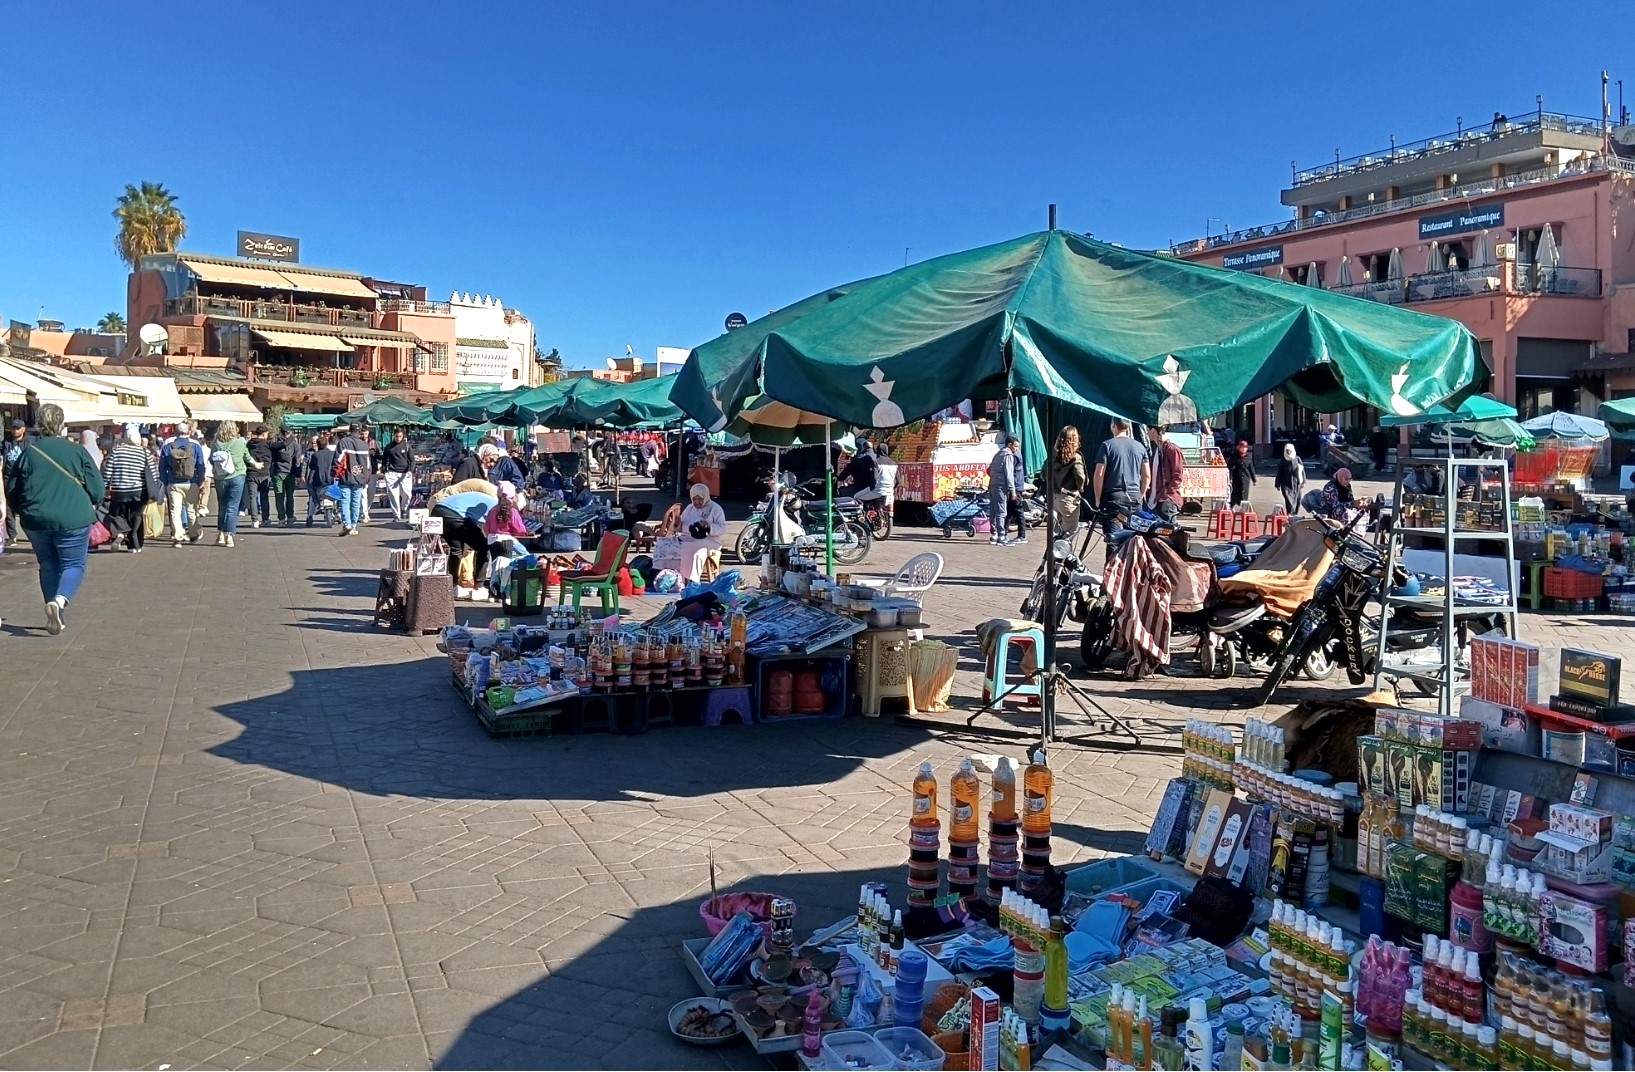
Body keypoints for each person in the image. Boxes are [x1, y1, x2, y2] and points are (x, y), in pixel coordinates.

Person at [4, 404, 105, 634]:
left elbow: (13, 487)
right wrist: (94, 501)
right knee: (73, 564)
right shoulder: (77, 451)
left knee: (48, 564)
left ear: (39, 424)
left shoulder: (30, 452)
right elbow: (97, 487)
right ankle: (59, 602)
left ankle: (55, 611)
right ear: (61, 424)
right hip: (73, 517)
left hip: (36, 520)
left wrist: (22, 511)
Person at [430, 481, 499, 599]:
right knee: (483, 548)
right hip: (455, 514)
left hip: (439, 509)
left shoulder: (489, 498)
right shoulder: (496, 506)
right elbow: (489, 529)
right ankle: (478, 588)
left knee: (456, 549)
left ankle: (452, 586)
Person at [101, 424, 158, 553]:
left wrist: (105, 486)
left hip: (119, 490)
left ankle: (121, 532)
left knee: (117, 513)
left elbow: (108, 471)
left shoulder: (116, 450)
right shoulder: (145, 452)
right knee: (136, 515)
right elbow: (152, 474)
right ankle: (135, 543)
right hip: (139, 489)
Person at [1092, 418, 1151, 521]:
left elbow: (1099, 474)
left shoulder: (1107, 445)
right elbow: (1147, 475)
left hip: (1113, 497)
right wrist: (1141, 495)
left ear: (1113, 425)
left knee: (1114, 534)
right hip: (1134, 496)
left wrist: (1097, 498)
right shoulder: (1140, 447)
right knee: (1134, 533)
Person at [160, 420, 207, 547]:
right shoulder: (195, 446)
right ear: (189, 432)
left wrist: (165, 482)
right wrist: (200, 480)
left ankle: (177, 538)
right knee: (191, 510)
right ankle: (192, 534)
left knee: (175, 511)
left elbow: (162, 467)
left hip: (173, 483)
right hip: (191, 482)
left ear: (175, 432)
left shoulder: (167, 447)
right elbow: (201, 466)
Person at [672, 483, 726, 582]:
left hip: (710, 541)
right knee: (668, 544)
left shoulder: (715, 509)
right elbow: (681, 527)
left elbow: (722, 528)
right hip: (691, 539)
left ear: (705, 497)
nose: (696, 502)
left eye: (700, 499)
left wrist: (709, 527)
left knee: (696, 550)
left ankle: (692, 580)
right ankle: (674, 578)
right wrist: (678, 524)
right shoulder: (690, 508)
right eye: (694, 499)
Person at [210, 421, 250, 547]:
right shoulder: (240, 442)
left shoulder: (215, 443)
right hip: (237, 475)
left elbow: (212, 459)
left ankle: (221, 534)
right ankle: (229, 536)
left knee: (222, 505)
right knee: (232, 506)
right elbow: (247, 457)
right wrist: (256, 464)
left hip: (220, 477)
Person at [1044, 426, 1087, 534]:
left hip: (1052, 497)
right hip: (1069, 498)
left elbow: (1043, 472)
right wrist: (1080, 487)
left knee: (1055, 534)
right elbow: (1080, 476)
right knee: (1068, 534)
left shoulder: (1053, 455)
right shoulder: (1076, 457)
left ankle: (1052, 550)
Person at [332, 423, 372, 536]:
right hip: (360, 478)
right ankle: (353, 526)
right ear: (359, 431)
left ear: (350, 430)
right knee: (356, 502)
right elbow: (368, 465)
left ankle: (347, 524)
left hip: (346, 476)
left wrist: (334, 474)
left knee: (345, 501)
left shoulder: (344, 442)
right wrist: (366, 478)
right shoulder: (364, 445)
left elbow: (338, 460)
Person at [986, 434, 1020, 546]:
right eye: (1016, 446)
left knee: (994, 511)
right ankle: (1001, 537)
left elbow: (989, 470)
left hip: (993, 484)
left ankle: (994, 534)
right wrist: (1013, 491)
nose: (1017, 449)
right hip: (1001, 486)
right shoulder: (1008, 455)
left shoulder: (998, 454)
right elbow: (1009, 475)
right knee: (1001, 511)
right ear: (1009, 445)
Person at [1149, 425, 1186, 522]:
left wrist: (1167, 494)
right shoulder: (1157, 450)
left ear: (1153, 430)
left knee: (1170, 533)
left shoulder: (1172, 449)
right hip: (1156, 499)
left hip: (1167, 500)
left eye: (1147, 430)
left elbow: (1178, 476)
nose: (1146, 433)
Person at [3, 419, 31, 544]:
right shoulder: (6, 443)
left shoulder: (28, 443)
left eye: (18, 428)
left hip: (22, 478)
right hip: (7, 478)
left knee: (25, 506)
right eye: (13, 428)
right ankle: (12, 536)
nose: (15, 430)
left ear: (23, 429)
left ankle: (31, 533)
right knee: (9, 508)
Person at [380, 429, 415, 522]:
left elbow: (412, 459)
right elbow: (384, 459)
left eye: (400, 436)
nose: (398, 438)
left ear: (403, 436)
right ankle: (396, 515)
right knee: (393, 495)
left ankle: (404, 508)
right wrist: (385, 471)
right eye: (396, 436)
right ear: (394, 436)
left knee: (407, 493)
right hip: (392, 473)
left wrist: (411, 470)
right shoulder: (389, 447)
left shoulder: (407, 446)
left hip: (405, 472)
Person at [270, 427, 302, 526]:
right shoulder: (295, 445)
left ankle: (281, 519)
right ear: (290, 432)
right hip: (290, 473)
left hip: (278, 472)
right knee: (289, 495)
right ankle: (290, 517)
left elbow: (271, 458)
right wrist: (298, 474)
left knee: (279, 496)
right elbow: (297, 461)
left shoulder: (276, 444)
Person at [245, 425, 273, 527]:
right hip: (264, 473)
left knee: (253, 497)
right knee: (264, 497)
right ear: (265, 434)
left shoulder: (249, 444)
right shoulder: (267, 444)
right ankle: (265, 519)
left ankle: (254, 520)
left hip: (252, 472)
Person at [305, 434, 336, 526]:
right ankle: (337, 512)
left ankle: (312, 512)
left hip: (319, 480)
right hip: (331, 480)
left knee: (312, 494)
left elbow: (312, 467)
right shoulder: (332, 454)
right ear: (327, 444)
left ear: (318, 445)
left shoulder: (315, 455)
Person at [1274, 443, 1305, 515]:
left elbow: (1302, 471)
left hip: (1296, 483)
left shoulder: (1297, 459)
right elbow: (1279, 473)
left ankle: (1295, 514)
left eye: (1290, 451)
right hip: (1285, 483)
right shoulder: (1283, 460)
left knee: (1298, 499)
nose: (1288, 452)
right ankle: (1290, 514)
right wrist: (1277, 484)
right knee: (1289, 500)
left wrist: (1303, 482)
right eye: (1287, 451)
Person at [1227, 439, 1257, 507]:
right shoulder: (1234, 456)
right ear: (1238, 447)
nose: (1243, 449)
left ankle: (1244, 507)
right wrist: (1230, 477)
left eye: (1245, 448)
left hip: (1246, 478)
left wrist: (1254, 479)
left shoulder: (1248, 457)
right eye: (1241, 447)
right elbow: (1230, 466)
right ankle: (1231, 506)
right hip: (1236, 477)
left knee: (1244, 492)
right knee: (1235, 492)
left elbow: (1251, 468)